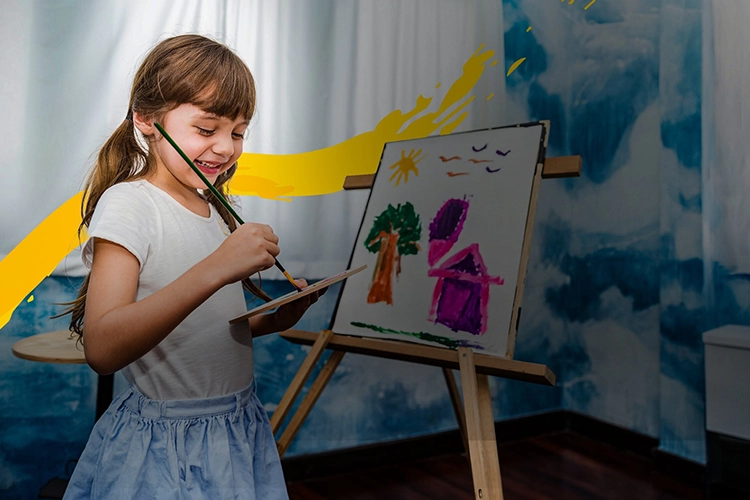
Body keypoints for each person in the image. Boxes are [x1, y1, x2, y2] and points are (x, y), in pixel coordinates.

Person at [61, 34, 320, 499]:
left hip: (236, 425)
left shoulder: (215, 208)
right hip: (167, 446)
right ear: (146, 119)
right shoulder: (130, 204)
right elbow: (102, 348)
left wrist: (272, 319)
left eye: (239, 132)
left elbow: (205, 327)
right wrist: (218, 267)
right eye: (207, 129)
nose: (225, 148)